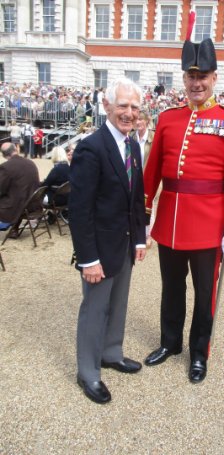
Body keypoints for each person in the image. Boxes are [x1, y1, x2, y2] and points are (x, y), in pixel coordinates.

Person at [143, 36, 224, 383]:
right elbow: (151, 173)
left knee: (205, 295)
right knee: (171, 288)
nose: (196, 83)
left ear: (215, 78)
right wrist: (144, 214)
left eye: (202, 75)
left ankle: (198, 353)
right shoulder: (168, 119)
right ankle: (170, 342)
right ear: (184, 79)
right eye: (190, 76)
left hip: (208, 226)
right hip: (169, 223)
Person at [68, 77, 146, 404]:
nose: (128, 113)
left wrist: (139, 239)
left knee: (118, 305)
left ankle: (111, 353)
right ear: (107, 106)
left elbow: (136, 198)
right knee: (94, 311)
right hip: (98, 250)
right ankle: (88, 372)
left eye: (134, 107)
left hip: (125, 245)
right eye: (123, 106)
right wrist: (88, 259)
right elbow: (79, 208)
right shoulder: (92, 146)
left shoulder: (131, 144)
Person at [0, 142, 39, 236]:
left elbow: (1, 188)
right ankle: (14, 228)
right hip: (33, 204)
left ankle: (11, 227)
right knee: (18, 193)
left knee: (12, 196)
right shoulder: (30, 163)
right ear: (16, 149)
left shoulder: (6, 167)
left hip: (17, 206)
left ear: (4, 155)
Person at [130, 110, 155, 247]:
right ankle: (136, 232)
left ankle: (147, 235)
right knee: (135, 205)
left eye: (140, 119)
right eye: (136, 120)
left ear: (147, 121)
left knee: (148, 206)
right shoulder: (131, 136)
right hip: (134, 177)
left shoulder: (153, 137)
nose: (138, 122)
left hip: (148, 177)